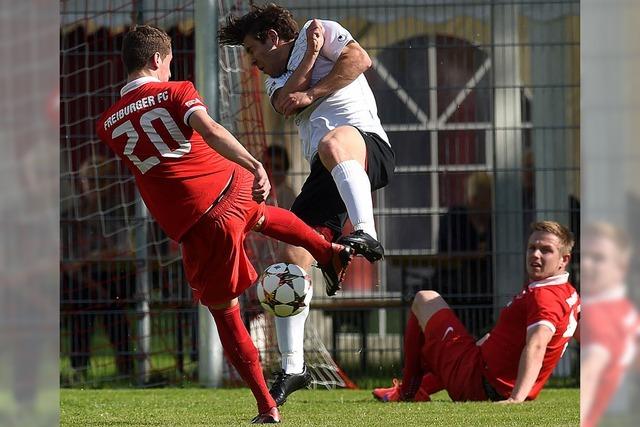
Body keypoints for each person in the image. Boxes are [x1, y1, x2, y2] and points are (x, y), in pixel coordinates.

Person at [95, 25, 363, 424]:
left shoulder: (107, 124)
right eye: (168, 62)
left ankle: (265, 405)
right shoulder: (175, 91)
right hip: (229, 186)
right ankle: (329, 250)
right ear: (156, 60)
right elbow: (212, 130)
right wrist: (252, 163)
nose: (170, 69)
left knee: (225, 313)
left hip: (199, 219)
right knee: (263, 216)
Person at [218, 3, 395, 405]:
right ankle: (294, 367)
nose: (252, 62)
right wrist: (312, 59)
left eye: (251, 50)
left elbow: (359, 60)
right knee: (288, 260)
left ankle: (366, 232)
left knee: (333, 141)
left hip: (367, 147)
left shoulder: (323, 28)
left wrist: (314, 86)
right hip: (327, 171)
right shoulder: (276, 80)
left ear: (271, 38)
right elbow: (286, 103)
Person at [373, 220, 580, 403]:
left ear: (564, 260)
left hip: (479, 385)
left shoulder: (544, 297)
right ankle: (420, 388)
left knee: (424, 298)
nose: (535, 254)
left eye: (546, 250)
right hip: (487, 377)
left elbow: (536, 345)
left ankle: (407, 392)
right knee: (475, 344)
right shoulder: (569, 294)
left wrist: (516, 399)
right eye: (531, 247)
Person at [61, 155, 135, 382]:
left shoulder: (124, 212)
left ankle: (125, 369)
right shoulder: (72, 215)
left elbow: (129, 250)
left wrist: (92, 258)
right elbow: (65, 256)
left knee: (107, 302)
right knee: (82, 303)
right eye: (89, 180)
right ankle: (79, 370)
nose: (94, 186)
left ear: (111, 182)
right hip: (80, 282)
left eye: (101, 180)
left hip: (117, 278)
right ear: (81, 182)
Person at [580, 222, 638, 427]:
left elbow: (588, 374)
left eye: (598, 258)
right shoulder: (626, 312)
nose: (586, 264)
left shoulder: (600, 316)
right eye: (585, 256)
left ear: (621, 267)